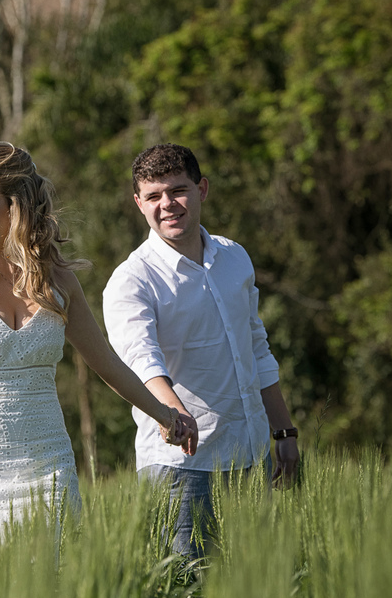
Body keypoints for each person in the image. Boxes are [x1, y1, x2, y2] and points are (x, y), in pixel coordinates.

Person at [0, 141, 196, 554]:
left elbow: (107, 364)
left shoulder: (60, 281)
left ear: (18, 205)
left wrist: (165, 414)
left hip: (47, 470)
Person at [103, 143, 299, 558]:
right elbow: (140, 359)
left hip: (250, 456)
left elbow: (256, 347)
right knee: (187, 594)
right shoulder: (131, 280)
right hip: (181, 466)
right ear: (138, 203)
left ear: (202, 189)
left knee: (254, 587)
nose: (167, 205)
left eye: (178, 191)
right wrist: (173, 411)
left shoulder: (234, 258)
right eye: (153, 196)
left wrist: (283, 432)